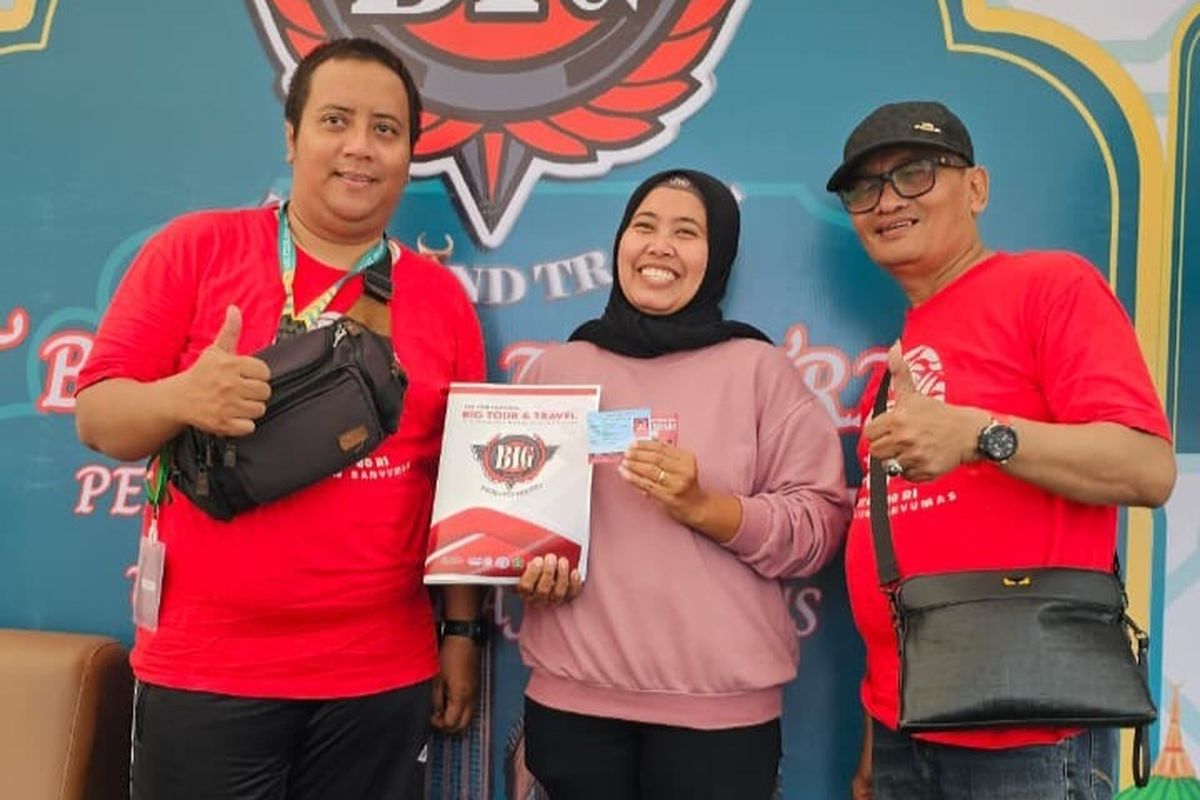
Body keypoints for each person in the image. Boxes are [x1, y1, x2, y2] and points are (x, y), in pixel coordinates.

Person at [74, 38, 486, 800]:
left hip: (379, 676)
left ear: (409, 155)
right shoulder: (195, 250)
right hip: (209, 671)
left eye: (386, 130)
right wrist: (181, 398)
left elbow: (460, 489)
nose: (360, 147)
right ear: (292, 137)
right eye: (336, 121)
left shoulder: (442, 300)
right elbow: (98, 418)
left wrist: (461, 632)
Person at [825, 100, 1176, 800]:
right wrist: (878, 731)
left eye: (915, 174)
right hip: (905, 728)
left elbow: (1147, 468)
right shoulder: (897, 361)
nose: (887, 200)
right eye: (864, 187)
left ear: (977, 188)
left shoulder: (1051, 286)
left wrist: (979, 436)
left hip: (1026, 733)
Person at [513, 168, 852, 800]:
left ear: (718, 256)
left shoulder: (759, 371)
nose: (660, 245)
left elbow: (819, 526)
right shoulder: (555, 370)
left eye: (687, 232)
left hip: (719, 719)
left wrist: (707, 507)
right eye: (644, 225)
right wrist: (525, 569)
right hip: (571, 703)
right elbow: (512, 522)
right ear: (620, 243)